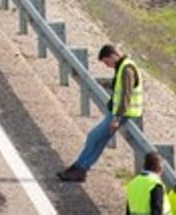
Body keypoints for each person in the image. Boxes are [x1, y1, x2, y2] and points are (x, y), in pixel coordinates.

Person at [57, 44, 143, 183]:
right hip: (117, 112)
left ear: (112, 56)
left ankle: (79, 168)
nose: (107, 66)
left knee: (93, 137)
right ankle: (79, 168)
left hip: (122, 114)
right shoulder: (122, 66)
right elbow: (117, 86)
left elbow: (125, 95)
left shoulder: (127, 69)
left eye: (106, 62)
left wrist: (117, 118)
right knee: (99, 141)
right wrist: (101, 82)